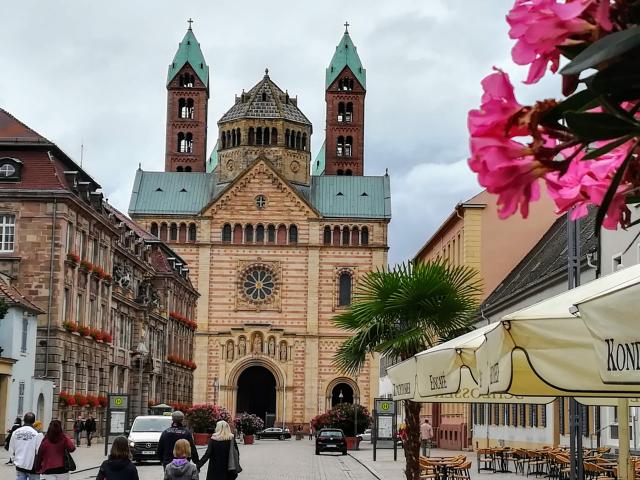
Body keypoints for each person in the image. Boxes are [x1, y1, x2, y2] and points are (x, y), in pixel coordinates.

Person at [8, 412, 43, 480]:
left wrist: (13, 460)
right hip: (33, 467)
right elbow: (39, 451)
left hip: (19, 465)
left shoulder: (16, 432)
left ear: (24, 420)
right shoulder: (37, 434)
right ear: (34, 422)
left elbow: (11, 448)